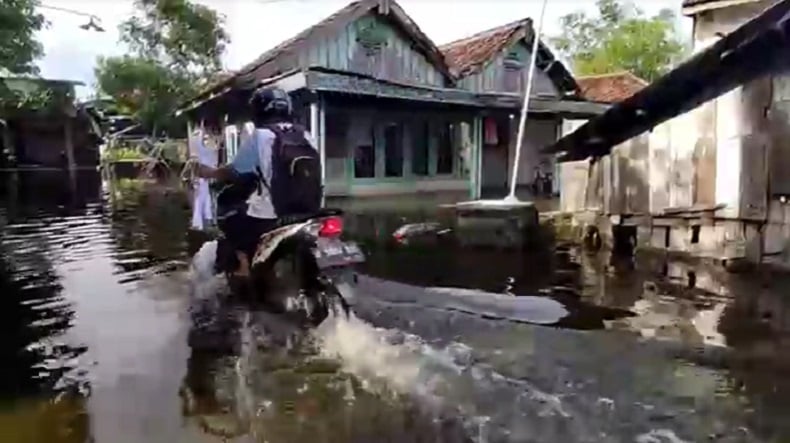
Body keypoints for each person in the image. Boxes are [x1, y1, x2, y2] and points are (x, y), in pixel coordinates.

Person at [194, 85, 321, 277]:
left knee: (233, 221)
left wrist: (209, 173)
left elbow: (234, 171)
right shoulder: (305, 135)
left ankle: (244, 267)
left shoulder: (260, 137)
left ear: (258, 110)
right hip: (309, 211)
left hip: (271, 215)